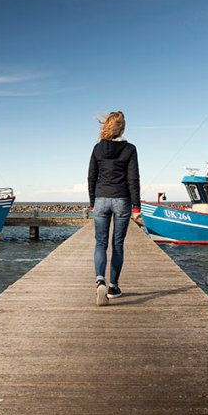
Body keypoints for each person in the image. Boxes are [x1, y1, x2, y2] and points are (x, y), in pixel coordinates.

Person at [87, 111, 141, 306]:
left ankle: (99, 279)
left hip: (101, 199)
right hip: (122, 200)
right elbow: (133, 178)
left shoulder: (97, 149)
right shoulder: (130, 149)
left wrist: (93, 201)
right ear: (122, 128)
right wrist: (136, 207)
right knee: (117, 244)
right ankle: (113, 287)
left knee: (100, 243)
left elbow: (91, 177)